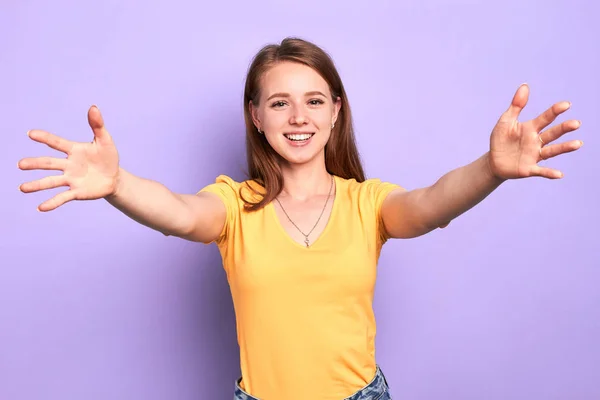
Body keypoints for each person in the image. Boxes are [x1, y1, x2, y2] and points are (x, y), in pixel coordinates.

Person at [17, 37, 583, 400]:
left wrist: (490, 167)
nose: (298, 116)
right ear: (256, 116)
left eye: (314, 100)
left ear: (336, 112)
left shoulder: (368, 204)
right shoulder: (234, 206)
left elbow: (431, 205)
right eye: (279, 101)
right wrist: (117, 184)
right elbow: (180, 215)